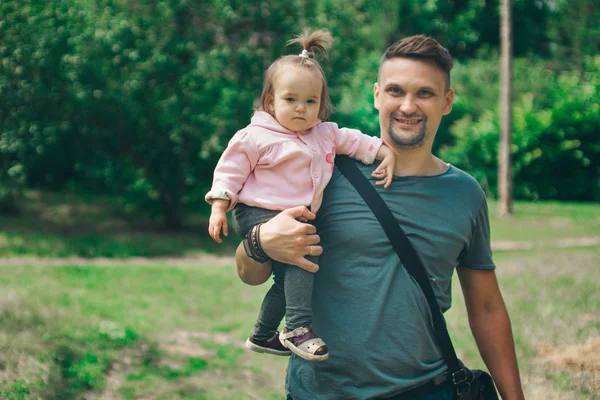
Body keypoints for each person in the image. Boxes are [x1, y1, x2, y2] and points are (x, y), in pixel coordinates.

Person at [236, 34, 525, 399]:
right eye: (395, 90)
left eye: (425, 93)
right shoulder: (323, 175)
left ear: (446, 101)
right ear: (376, 95)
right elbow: (250, 274)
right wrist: (259, 241)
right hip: (320, 392)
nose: (408, 105)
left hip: (425, 389)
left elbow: (486, 308)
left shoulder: (465, 194)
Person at [205, 29, 396, 363]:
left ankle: (263, 334)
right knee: (305, 259)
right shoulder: (256, 135)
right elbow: (230, 170)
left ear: (321, 106)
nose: (300, 109)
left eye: (311, 102)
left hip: (292, 215)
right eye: (290, 100)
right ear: (270, 102)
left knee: (291, 278)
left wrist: (383, 152)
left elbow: (354, 140)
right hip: (257, 213)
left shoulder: (323, 133)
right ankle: (297, 328)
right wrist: (219, 205)